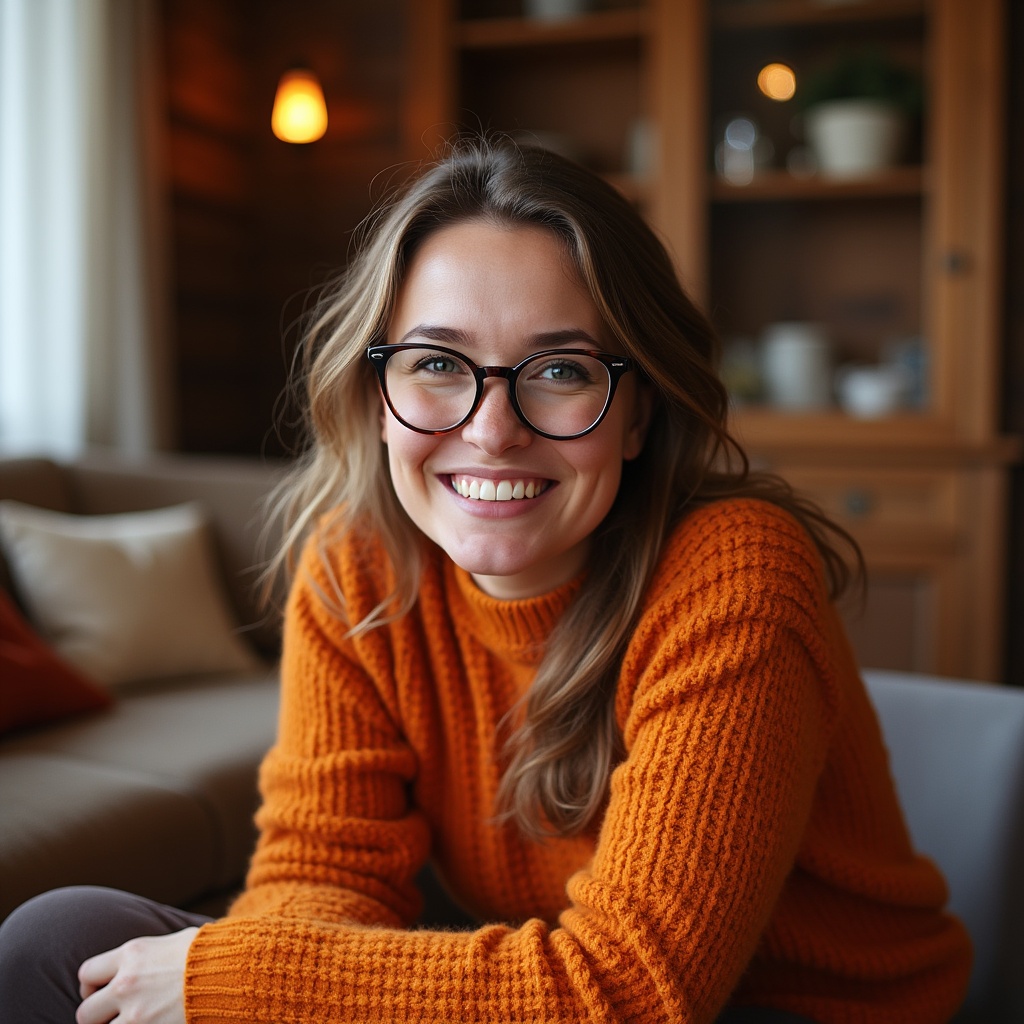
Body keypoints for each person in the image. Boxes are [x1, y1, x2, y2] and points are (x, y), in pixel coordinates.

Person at [0, 138, 971, 1023]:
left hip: (778, 1008)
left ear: (636, 415)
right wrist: (275, 984)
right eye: (436, 363)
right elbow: (321, 873)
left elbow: (631, 990)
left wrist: (239, 980)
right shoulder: (356, 566)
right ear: (376, 397)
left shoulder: (733, 571)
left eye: (558, 370)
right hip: (556, 987)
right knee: (60, 940)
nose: (490, 428)